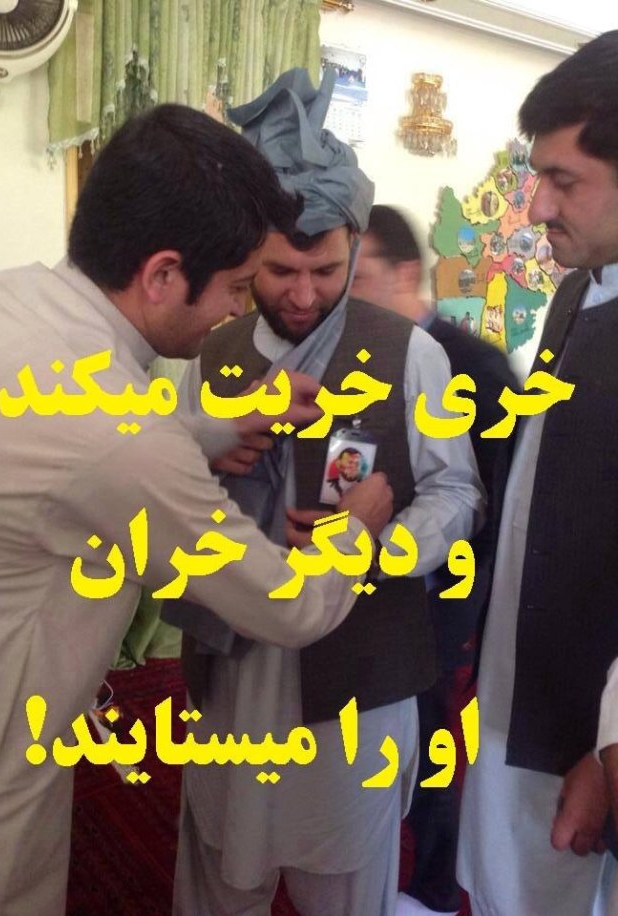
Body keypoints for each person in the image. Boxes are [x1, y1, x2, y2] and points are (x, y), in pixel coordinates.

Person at [0, 103, 395, 915]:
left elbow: (59, 457)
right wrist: (359, 526)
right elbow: (287, 605)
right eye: (237, 286)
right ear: (161, 275)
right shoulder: (124, 435)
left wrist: (218, 426)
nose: (239, 311)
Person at [170, 69, 484, 916]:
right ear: (249, 255)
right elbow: (164, 486)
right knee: (221, 870)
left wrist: (379, 540)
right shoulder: (213, 351)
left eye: (325, 269)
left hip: (357, 675)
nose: (303, 294)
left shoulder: (411, 354)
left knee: (343, 882)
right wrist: (210, 456)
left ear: (352, 244)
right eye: (280, 271)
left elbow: (457, 492)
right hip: (234, 667)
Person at [456, 30, 618, 916]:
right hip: (521, 680)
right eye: (537, 176)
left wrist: (608, 750)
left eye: (564, 180)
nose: (538, 206)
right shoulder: (575, 289)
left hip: (589, 732)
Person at [351, 204, 517, 916]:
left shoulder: (473, 366)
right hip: (373, 584)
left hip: (446, 595)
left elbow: (493, 499)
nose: (339, 297)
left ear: (404, 274)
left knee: (429, 733)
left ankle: (436, 884)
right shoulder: (359, 356)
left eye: (357, 277)